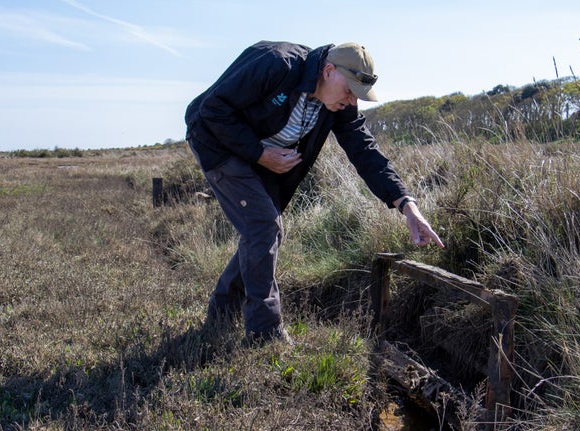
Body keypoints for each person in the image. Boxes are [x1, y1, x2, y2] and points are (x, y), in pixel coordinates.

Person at [185, 41, 444, 344]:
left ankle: (222, 312)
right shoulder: (275, 63)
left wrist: (407, 205)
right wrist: (259, 154)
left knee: (266, 230)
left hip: (262, 156)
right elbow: (213, 109)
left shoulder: (338, 105)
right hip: (216, 141)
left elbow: (365, 152)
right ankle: (264, 335)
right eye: (349, 91)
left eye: (356, 97)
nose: (350, 101)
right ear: (329, 71)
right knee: (263, 224)